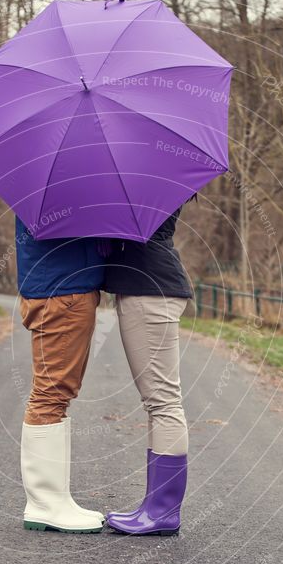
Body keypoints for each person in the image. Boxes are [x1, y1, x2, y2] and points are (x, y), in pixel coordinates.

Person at [104, 207, 192, 535]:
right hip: (149, 287)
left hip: (149, 290)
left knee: (163, 402)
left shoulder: (141, 187)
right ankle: (155, 506)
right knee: (160, 404)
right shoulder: (146, 180)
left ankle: (162, 511)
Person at [16, 217, 105, 533]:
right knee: (51, 395)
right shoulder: (66, 181)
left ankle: (56, 500)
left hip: (63, 285)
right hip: (62, 288)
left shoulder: (54, 178)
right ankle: (44, 504)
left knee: (56, 394)